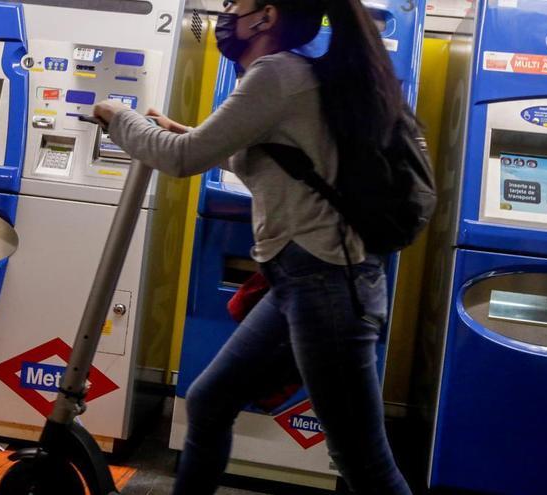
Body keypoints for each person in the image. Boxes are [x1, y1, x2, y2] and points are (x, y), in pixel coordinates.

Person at [93, 0, 411, 493]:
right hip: (304, 280)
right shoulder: (296, 72)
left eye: (232, 3)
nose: (223, 10)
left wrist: (118, 115)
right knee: (209, 402)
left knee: (363, 461)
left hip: (327, 285)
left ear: (266, 16)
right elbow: (274, 157)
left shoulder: (275, 74)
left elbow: (182, 161)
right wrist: (186, 132)